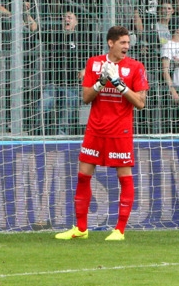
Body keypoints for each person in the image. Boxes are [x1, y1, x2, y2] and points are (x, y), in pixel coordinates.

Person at [56, 26, 148, 242]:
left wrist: (119, 84)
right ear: (111, 43)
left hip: (120, 131)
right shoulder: (94, 63)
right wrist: (101, 81)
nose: (127, 46)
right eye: (123, 43)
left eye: (128, 43)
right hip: (95, 129)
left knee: (124, 178)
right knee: (83, 176)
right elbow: (86, 97)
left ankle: (119, 230)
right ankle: (80, 228)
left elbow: (141, 103)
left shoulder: (135, 67)